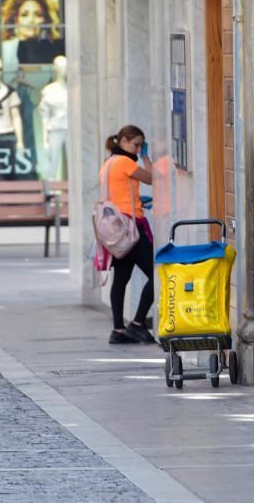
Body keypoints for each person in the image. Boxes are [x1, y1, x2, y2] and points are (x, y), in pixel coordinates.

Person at [100, 125, 155, 345]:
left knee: (121, 278)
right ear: (123, 141)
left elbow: (120, 193)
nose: (138, 149)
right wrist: (146, 156)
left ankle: (118, 330)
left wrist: (139, 200)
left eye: (141, 145)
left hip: (116, 229)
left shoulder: (108, 163)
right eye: (136, 144)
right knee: (158, 274)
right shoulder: (125, 162)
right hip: (132, 226)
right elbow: (151, 178)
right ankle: (138, 324)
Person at [0, 0, 64, 70]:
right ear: (15, 19)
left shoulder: (54, 49)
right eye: (24, 15)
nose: (31, 20)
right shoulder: (4, 49)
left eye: (38, 15)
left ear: (46, 20)